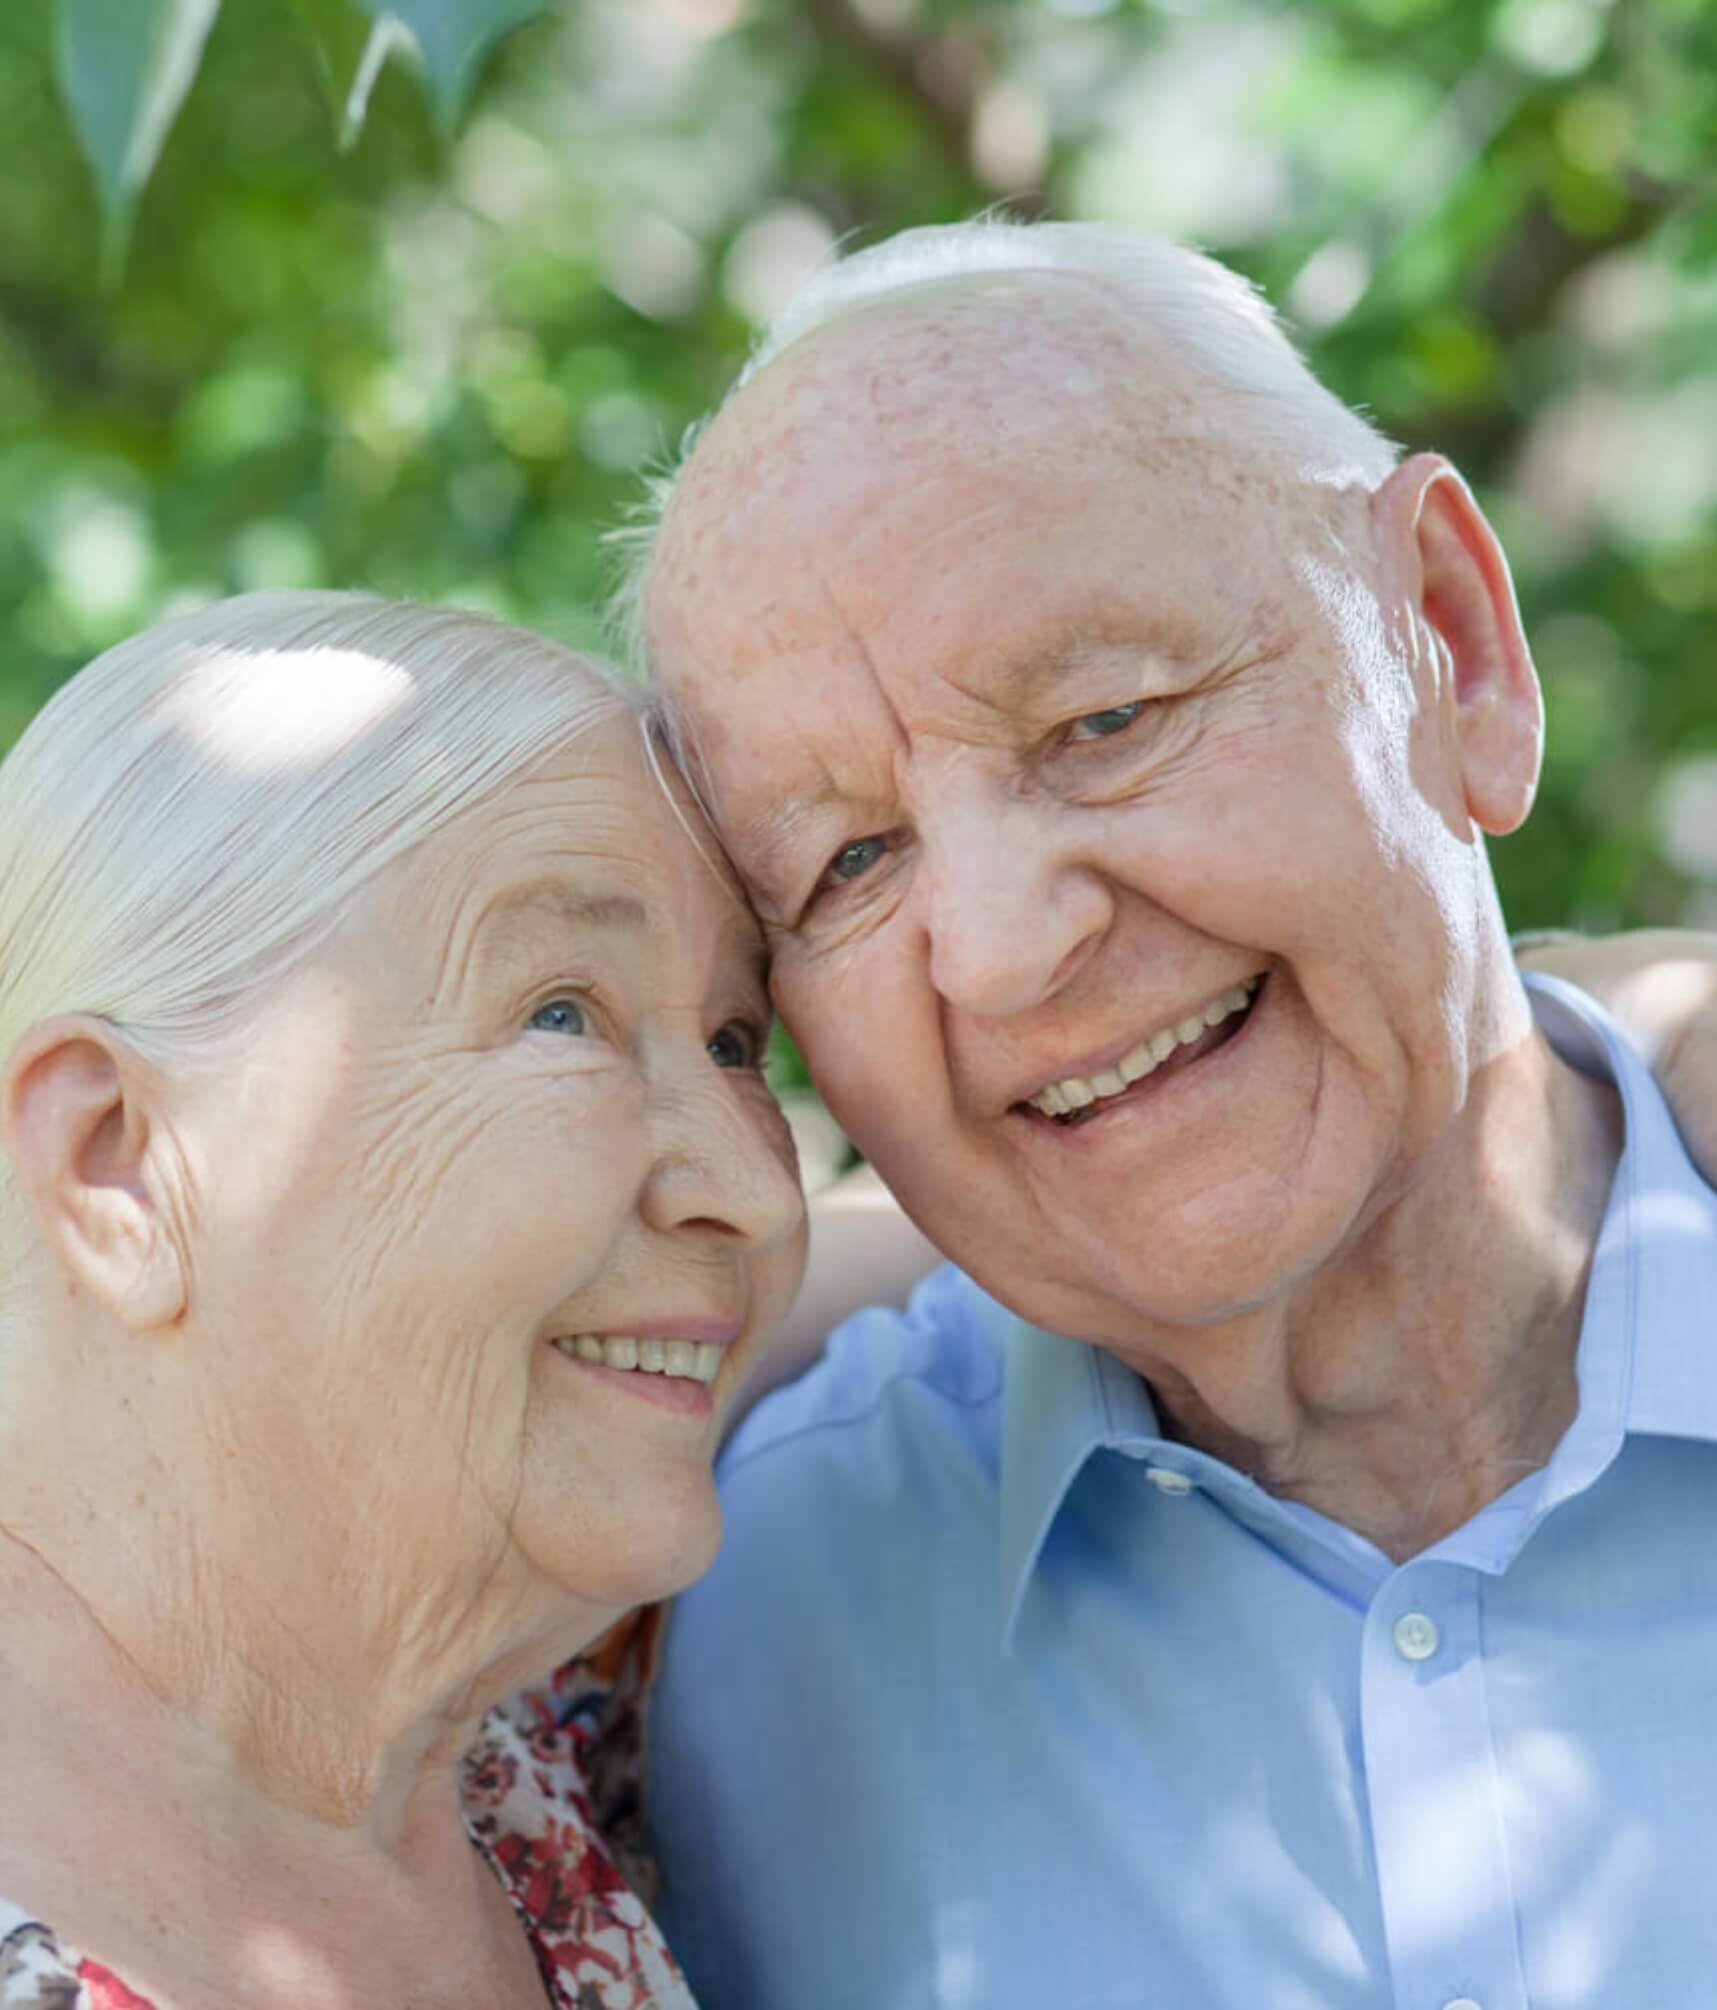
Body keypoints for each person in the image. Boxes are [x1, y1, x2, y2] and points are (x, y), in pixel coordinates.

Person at [623, 220, 1717, 2007]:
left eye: (1103, 716)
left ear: (1451, 648)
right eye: (847, 862)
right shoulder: (696, 1614)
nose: (996, 947)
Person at [0, 590, 819, 2009]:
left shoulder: (524, 1753)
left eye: (735, 1038)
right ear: (118, 1161)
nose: (755, 1185)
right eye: (563, 1012)